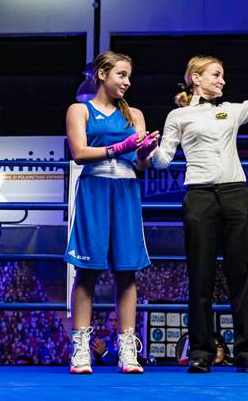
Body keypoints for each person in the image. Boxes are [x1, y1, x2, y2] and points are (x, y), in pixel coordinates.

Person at [147, 34, 248, 374]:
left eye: (223, 76)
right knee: (200, 276)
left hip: (236, 194)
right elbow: (163, 160)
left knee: (240, 274)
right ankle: (200, 351)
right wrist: (148, 152)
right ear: (196, 78)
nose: (223, 81)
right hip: (199, 196)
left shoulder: (232, 110)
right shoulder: (177, 116)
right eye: (216, 75)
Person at [64, 51, 159, 374]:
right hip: (94, 189)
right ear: (102, 74)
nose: (127, 81)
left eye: (129, 76)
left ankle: (127, 350)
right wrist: (119, 148)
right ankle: (80, 349)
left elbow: (141, 164)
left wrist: (145, 152)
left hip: (126, 190)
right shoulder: (80, 110)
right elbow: (79, 153)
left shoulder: (135, 114)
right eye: (121, 74)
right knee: (86, 271)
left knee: (127, 272)